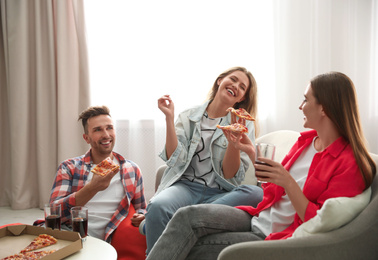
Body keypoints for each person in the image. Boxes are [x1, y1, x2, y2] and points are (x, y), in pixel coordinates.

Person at [146, 71, 376, 260]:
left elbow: (318, 221)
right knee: (186, 217)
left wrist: (286, 181)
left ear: (324, 108)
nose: (300, 106)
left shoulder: (350, 164)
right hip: (257, 216)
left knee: (190, 247)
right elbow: (270, 191)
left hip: (274, 234)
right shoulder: (304, 142)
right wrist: (252, 153)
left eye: (306, 99)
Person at [144, 66, 264, 255]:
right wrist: (169, 118)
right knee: (159, 206)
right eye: (232, 79)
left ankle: (184, 218)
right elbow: (175, 159)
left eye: (242, 87)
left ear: (241, 98)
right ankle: (181, 219)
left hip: (220, 194)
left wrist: (234, 142)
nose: (236, 86)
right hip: (186, 188)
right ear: (220, 81)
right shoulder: (189, 116)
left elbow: (229, 175)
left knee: (256, 192)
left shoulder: (244, 123)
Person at [49, 106, 146, 243]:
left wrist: (142, 216)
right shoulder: (68, 167)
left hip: (113, 238)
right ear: (86, 138)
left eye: (109, 128)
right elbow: (54, 213)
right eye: (98, 130)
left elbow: (141, 208)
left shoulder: (131, 169)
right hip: (73, 235)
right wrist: (93, 187)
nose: (106, 135)